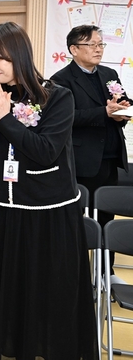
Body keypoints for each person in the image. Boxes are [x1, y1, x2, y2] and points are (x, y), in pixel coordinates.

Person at [0, 22, 97, 360]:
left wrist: (6, 120)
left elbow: (44, 151)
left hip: (48, 214)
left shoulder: (57, 96)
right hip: (6, 213)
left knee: (50, 293)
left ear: (20, 56)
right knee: (12, 293)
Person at [51, 24, 131, 282]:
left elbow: (121, 106)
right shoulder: (60, 80)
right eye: (92, 45)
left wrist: (123, 111)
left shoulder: (109, 74)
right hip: (80, 162)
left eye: (100, 44)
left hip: (110, 158)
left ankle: (106, 271)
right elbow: (65, 118)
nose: (98, 50)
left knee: (107, 216)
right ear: (74, 49)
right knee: (77, 220)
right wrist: (103, 113)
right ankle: (75, 272)